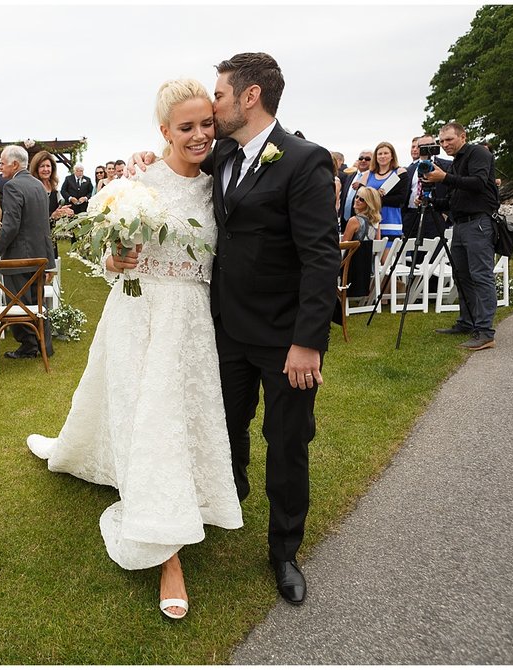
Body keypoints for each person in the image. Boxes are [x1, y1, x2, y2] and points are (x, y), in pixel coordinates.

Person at [27, 79, 243, 621]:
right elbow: (107, 256)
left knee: (174, 419)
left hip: (191, 322)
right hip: (136, 314)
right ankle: (168, 556)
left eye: (205, 124)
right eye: (186, 127)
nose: (198, 135)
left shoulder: (223, 181)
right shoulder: (137, 182)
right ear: (164, 130)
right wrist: (113, 262)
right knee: (146, 421)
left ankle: (189, 502)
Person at [130, 52, 340, 606]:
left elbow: (321, 258)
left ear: (250, 97)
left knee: (288, 441)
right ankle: (228, 500)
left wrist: (307, 342)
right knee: (225, 428)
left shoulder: (304, 160)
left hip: (285, 339)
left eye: (219, 95)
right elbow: (176, 164)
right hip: (223, 329)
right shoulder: (222, 153)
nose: (212, 105)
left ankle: (284, 550)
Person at [423, 121, 500, 351]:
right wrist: (432, 203)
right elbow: (456, 199)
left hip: (479, 223)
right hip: (461, 223)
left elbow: (477, 183)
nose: (445, 144)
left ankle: (485, 332)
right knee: (462, 275)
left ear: (463, 137)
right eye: (442, 141)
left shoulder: (478, 153)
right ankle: (467, 323)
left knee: (481, 276)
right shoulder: (456, 162)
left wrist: (444, 178)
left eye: (449, 140)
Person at [0, 145, 55, 359]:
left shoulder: (12, 186)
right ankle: (45, 346)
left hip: (18, 258)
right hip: (38, 256)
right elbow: (45, 228)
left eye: (2, 163)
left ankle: (29, 346)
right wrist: (50, 261)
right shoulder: (39, 186)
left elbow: (10, 225)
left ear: (15, 164)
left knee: (18, 303)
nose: (0, 167)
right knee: (38, 302)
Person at [354, 141, 408, 242]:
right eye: (380, 154)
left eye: (386, 153)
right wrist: (376, 196)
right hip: (369, 222)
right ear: (376, 157)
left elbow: (401, 199)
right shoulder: (367, 175)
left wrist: (374, 198)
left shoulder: (400, 173)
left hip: (390, 221)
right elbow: (360, 199)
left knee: (386, 257)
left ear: (392, 156)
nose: (383, 156)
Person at [402, 134, 450, 240]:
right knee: (412, 250)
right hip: (412, 214)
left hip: (435, 213)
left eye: (430, 145)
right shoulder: (410, 169)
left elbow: (451, 188)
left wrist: (445, 214)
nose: (426, 149)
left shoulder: (446, 165)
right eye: (422, 146)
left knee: (433, 252)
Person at [29, 150, 73, 257]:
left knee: (52, 270)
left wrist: (64, 212)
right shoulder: (32, 188)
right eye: (42, 166)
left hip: (50, 238)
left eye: (48, 166)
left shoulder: (53, 189)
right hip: (35, 240)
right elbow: (31, 216)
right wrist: (52, 216)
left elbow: (55, 212)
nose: (46, 169)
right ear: (36, 168)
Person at [339, 150, 372, 227]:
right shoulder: (350, 176)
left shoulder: (372, 178)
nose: (363, 160)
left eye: (367, 159)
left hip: (361, 222)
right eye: (361, 158)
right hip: (344, 221)